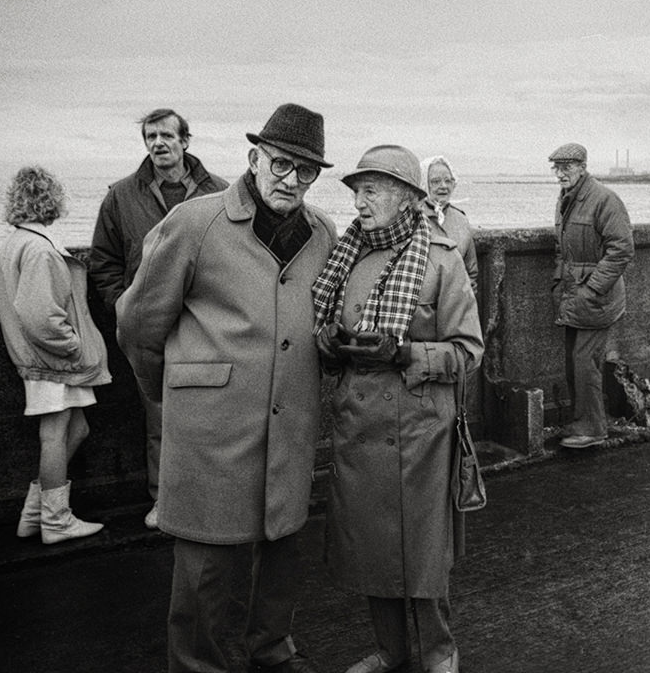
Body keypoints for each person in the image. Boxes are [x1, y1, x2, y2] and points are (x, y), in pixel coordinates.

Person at [117, 103, 337, 673]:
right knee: (207, 577)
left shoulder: (323, 235)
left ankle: (271, 653)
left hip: (289, 429)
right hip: (211, 435)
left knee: (281, 554)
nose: (292, 180)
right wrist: (179, 395)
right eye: (282, 164)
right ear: (254, 158)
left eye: (306, 171)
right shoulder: (196, 222)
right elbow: (139, 323)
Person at [314, 145, 482, 673]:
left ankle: (439, 653)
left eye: (372, 191)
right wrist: (330, 341)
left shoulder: (441, 259)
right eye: (357, 191)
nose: (359, 202)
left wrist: (408, 353)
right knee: (371, 547)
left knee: (423, 553)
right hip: (359, 426)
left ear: (407, 197)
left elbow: (468, 352)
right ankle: (391, 651)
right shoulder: (345, 256)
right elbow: (321, 339)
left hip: (420, 432)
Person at [90, 107, 228, 530]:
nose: (158, 143)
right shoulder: (121, 195)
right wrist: (124, 306)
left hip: (204, 325)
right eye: (151, 136)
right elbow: (104, 261)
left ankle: (212, 499)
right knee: (158, 415)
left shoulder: (221, 192)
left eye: (167, 135)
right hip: (150, 329)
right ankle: (163, 500)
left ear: (186, 140)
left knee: (212, 415)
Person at [0, 166, 111, 544]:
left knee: (77, 429)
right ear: (51, 200)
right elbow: (41, 315)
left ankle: (34, 513)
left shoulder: (15, 243)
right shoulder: (40, 249)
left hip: (40, 359)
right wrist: (71, 346)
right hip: (52, 361)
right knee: (56, 436)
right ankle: (56, 521)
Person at [548, 142, 634, 448]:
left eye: (566, 168)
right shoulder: (565, 200)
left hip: (597, 298)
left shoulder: (604, 199)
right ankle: (579, 422)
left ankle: (593, 428)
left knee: (586, 362)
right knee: (575, 362)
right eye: (556, 168)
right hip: (574, 295)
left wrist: (593, 288)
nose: (560, 174)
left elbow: (622, 250)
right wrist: (562, 282)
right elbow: (563, 249)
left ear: (582, 167)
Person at [419, 155, 479, 292]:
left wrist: (464, 303)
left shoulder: (461, 219)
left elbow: (471, 271)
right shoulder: (412, 217)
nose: (443, 186)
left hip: (456, 305)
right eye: (435, 181)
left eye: (448, 180)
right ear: (423, 184)